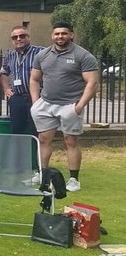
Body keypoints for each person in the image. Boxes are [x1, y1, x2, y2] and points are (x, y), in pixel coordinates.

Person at [30, 22, 99, 192]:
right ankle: (42, 174)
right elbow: (34, 79)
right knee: (44, 139)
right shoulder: (42, 55)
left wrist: (80, 105)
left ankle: (74, 180)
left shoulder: (83, 55)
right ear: (52, 35)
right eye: (57, 34)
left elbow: (92, 82)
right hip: (46, 104)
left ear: (71, 35)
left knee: (70, 141)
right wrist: (35, 102)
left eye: (64, 33)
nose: (60, 37)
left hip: (70, 105)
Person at [0, 26, 42, 136]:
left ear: (28, 37)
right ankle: (19, 152)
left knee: (36, 129)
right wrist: (6, 88)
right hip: (17, 98)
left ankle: (35, 152)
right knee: (17, 129)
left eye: (22, 36)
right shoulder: (10, 54)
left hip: (36, 98)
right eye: (15, 37)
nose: (18, 39)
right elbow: (4, 72)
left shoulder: (40, 52)